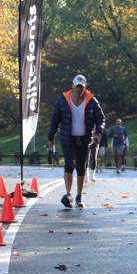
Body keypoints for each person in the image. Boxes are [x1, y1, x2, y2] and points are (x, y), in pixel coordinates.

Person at [47, 74, 104, 208]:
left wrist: (99, 131)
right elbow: (55, 119)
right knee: (69, 164)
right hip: (68, 138)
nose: (79, 89)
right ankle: (68, 194)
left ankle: (79, 196)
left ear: (85, 87)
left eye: (81, 87)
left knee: (81, 167)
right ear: (72, 86)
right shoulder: (63, 100)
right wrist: (50, 137)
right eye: (77, 87)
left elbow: (100, 117)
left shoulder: (91, 101)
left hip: (84, 139)